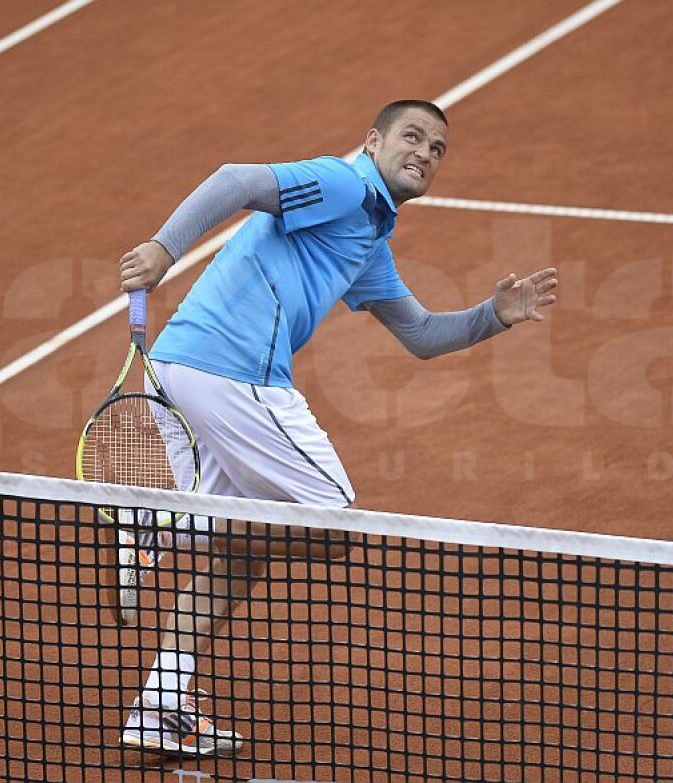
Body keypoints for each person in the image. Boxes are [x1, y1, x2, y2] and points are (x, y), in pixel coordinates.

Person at [115, 99, 557, 756]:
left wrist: (492, 315)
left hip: (179, 367)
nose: (425, 154)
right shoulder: (345, 184)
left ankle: (158, 704)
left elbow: (421, 334)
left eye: (438, 149)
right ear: (374, 140)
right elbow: (237, 179)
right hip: (233, 372)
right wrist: (163, 247)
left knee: (243, 557)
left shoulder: (369, 233)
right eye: (413, 137)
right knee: (334, 521)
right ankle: (173, 522)